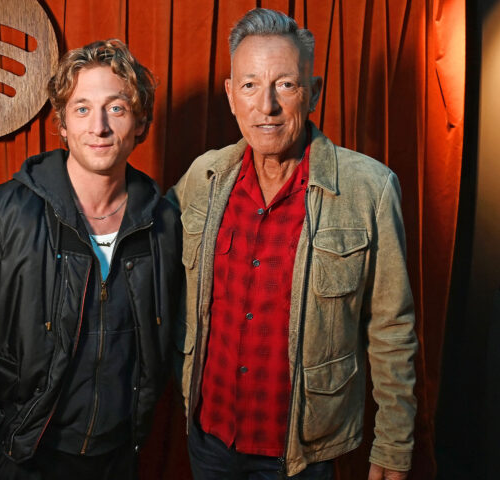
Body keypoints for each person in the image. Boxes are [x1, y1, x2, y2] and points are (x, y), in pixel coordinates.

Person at [168, 8, 417, 480]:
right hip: (209, 438)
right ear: (230, 96)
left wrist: (394, 445)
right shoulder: (202, 178)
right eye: (249, 86)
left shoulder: (370, 189)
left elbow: (392, 327)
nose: (267, 106)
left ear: (314, 91)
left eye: (285, 84)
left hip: (301, 455)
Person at [0, 39, 182, 480]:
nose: (98, 126)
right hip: (26, 456)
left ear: (141, 122)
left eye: (116, 108)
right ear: (61, 125)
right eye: (82, 109)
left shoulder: (163, 221)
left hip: (121, 456)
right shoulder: (2, 214)